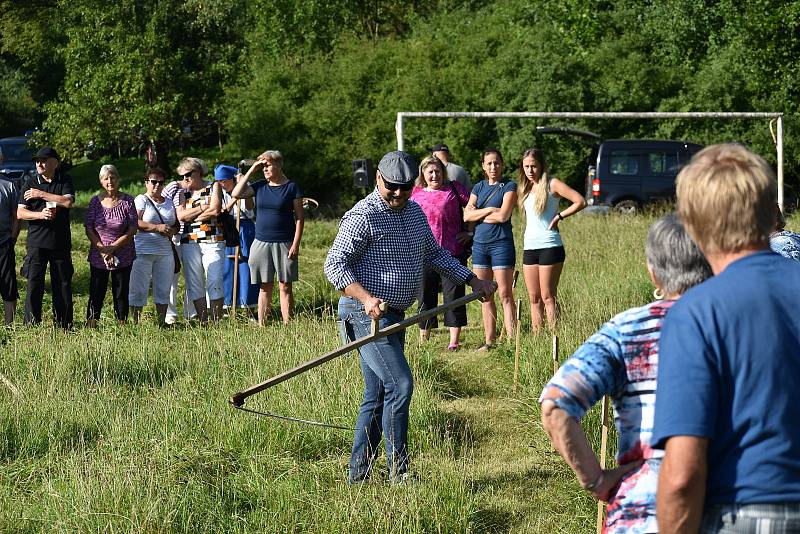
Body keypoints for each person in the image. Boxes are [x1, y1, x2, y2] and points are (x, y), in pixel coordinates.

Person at [651, 144, 800, 533]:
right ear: (771, 212)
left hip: (746, 512)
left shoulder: (696, 313)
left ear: (695, 226)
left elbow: (682, 473)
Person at [324, 150, 496, 484]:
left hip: (395, 317)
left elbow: (434, 254)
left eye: (404, 187)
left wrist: (472, 279)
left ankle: (358, 475)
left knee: (376, 395)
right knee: (400, 384)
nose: (399, 194)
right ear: (378, 178)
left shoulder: (414, 211)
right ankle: (399, 472)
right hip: (364, 316)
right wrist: (366, 297)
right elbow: (334, 264)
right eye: (392, 187)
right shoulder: (362, 215)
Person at [540, 213, 712, 533]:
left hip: (638, 513)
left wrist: (596, 481)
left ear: (653, 273)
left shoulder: (627, 330)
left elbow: (556, 404)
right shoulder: (738, 327)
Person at [231, 150, 304, 325]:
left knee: (285, 286)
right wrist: (252, 170)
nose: (264, 169)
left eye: (267, 165)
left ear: (278, 165)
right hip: (261, 242)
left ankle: (288, 324)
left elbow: (300, 218)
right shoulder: (260, 186)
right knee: (264, 285)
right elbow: (236, 194)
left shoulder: (292, 187)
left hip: (285, 242)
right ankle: (262, 324)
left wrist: (295, 244)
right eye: (262, 166)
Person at [517, 148, 586, 331]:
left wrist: (559, 216)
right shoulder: (525, 187)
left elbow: (580, 201)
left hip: (550, 246)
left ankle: (554, 336)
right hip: (530, 247)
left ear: (541, 166)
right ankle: (537, 338)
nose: (530, 170)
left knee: (548, 296)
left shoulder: (552, 184)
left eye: (534, 166)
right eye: (526, 167)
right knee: (534, 297)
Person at [410, 155, 472, 350]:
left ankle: (453, 341)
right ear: (423, 174)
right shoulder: (415, 193)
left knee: (453, 295)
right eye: (430, 172)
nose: (434, 175)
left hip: (452, 251)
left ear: (442, 172)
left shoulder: (453, 188)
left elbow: (472, 206)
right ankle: (424, 338)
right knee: (425, 295)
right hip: (424, 252)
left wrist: (470, 231)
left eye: (437, 171)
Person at [463, 147, 517, 350]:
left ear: (502, 165)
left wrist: (479, 214)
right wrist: (489, 210)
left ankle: (512, 342)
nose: (493, 167)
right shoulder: (478, 187)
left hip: (501, 245)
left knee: (505, 294)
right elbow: (466, 216)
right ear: (483, 167)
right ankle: (489, 341)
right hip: (479, 246)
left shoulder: (509, 186)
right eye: (489, 164)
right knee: (485, 295)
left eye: (497, 163)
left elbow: (503, 216)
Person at [16, 147, 75, 329]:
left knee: (63, 284)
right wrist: (40, 215)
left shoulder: (64, 180)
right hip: (37, 243)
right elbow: (20, 213)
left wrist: (40, 194)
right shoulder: (30, 182)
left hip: (60, 241)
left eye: (44, 160)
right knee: (34, 284)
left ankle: (64, 325)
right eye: (37, 160)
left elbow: (67, 202)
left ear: (55, 162)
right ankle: (31, 324)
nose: (39, 164)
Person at [84, 164, 137, 327]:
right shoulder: (95, 202)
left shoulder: (128, 201)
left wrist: (113, 247)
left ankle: (122, 325)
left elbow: (133, 228)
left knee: (121, 292)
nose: (109, 181)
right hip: (99, 255)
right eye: (106, 178)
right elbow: (89, 227)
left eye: (112, 177)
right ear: (101, 181)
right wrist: (101, 248)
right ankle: (91, 324)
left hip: (123, 254)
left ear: (118, 179)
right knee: (96, 291)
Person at [175, 157, 225, 323]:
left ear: (198, 172)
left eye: (188, 174)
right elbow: (181, 216)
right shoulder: (183, 192)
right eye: (182, 176)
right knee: (194, 281)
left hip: (213, 239)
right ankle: (204, 321)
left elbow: (216, 210)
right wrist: (204, 207)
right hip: (189, 241)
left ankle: (216, 320)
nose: (185, 179)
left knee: (214, 278)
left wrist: (193, 216)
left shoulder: (214, 186)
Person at [129, 167, 178, 325]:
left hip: (165, 252)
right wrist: (157, 228)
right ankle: (135, 322)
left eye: (161, 182)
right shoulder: (141, 200)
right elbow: (135, 222)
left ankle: (161, 323)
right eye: (153, 181)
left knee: (164, 288)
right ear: (146, 183)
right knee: (138, 288)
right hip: (142, 250)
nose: (157, 185)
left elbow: (176, 224)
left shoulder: (169, 203)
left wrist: (172, 231)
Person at [215, 164, 259, 313]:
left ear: (232, 179)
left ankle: (249, 305)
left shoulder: (245, 188)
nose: (222, 184)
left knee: (246, 264)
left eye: (224, 181)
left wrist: (244, 185)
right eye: (219, 181)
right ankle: (228, 304)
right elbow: (222, 210)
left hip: (245, 228)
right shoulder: (219, 192)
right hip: (228, 228)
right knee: (228, 265)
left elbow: (250, 206)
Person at [0, 165, 20, 325]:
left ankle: (9, 325)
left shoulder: (9, 185)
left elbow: (17, 216)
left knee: (8, 285)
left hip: (4, 244)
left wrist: (12, 239)